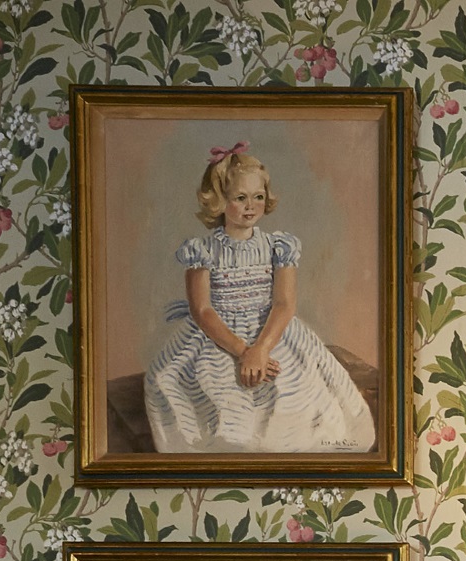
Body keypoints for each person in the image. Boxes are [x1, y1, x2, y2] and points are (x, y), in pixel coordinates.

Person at [143, 143, 375, 455]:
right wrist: (243, 352)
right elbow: (201, 309)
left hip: (271, 332)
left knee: (299, 395)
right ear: (220, 201)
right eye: (240, 198)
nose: (251, 206)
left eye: (258, 197)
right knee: (178, 386)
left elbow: (284, 304)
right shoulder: (202, 251)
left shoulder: (279, 246)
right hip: (218, 337)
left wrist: (261, 350)